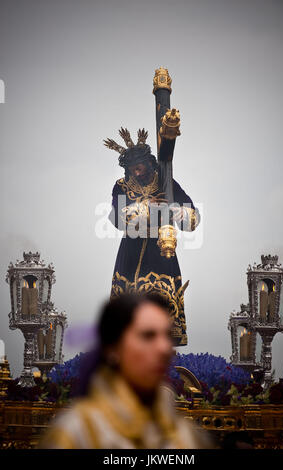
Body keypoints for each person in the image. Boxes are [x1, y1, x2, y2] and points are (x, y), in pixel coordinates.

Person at [39, 292, 213, 449]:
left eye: (167, 335)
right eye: (148, 335)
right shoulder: (77, 433)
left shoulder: (185, 436)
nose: (165, 348)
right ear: (113, 348)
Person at [104, 128, 200, 346]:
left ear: (148, 164)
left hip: (161, 250)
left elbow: (192, 217)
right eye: (132, 170)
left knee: (161, 302)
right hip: (131, 250)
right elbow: (116, 218)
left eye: (139, 168)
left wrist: (177, 210)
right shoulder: (121, 186)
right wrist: (146, 208)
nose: (136, 173)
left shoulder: (166, 182)